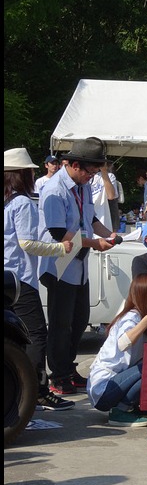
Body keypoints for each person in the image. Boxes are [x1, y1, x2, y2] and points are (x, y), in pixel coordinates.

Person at [38, 137, 118, 395]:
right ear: (72, 164)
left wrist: (110, 234)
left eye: (96, 172)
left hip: (79, 265)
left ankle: (68, 369)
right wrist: (96, 243)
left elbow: (91, 218)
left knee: (80, 319)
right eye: (90, 172)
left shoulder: (81, 185)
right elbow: (59, 233)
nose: (91, 177)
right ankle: (58, 376)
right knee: (61, 325)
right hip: (59, 265)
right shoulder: (54, 190)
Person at [4, 148, 75, 411]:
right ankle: (37, 391)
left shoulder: (7, 201)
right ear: (22, 174)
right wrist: (59, 248)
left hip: (7, 279)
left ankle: (25, 391)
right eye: (30, 171)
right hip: (20, 280)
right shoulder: (22, 202)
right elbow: (27, 243)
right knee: (35, 336)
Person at [87, 273, 147, 427]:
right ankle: (121, 411)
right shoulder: (132, 317)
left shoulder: (142, 317)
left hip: (116, 383)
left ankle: (131, 407)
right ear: (143, 296)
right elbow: (123, 343)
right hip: (104, 388)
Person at [90, 160, 118, 231]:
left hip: (103, 220)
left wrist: (104, 171)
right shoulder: (86, 175)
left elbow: (111, 196)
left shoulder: (110, 176)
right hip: (88, 218)